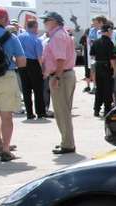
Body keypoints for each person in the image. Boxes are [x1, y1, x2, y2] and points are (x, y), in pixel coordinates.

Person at [40, 11, 76, 154]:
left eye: (46, 20)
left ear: (54, 21)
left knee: (62, 112)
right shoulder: (60, 34)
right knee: (63, 111)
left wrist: (56, 78)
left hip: (61, 76)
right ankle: (67, 141)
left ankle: (67, 144)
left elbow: (60, 59)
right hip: (65, 75)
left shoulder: (57, 36)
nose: (44, 23)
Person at [0, 7, 25, 162]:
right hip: (7, 77)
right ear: (5, 20)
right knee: (6, 116)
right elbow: (22, 62)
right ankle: (6, 150)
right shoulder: (11, 36)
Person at [17, 20, 46, 120]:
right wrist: (43, 69)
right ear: (35, 27)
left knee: (26, 89)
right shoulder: (35, 39)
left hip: (21, 63)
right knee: (38, 89)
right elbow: (39, 57)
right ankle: (40, 112)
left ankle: (29, 113)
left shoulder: (19, 37)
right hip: (33, 63)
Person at [92, 23, 116, 118]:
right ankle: (107, 109)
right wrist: (115, 68)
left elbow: (93, 55)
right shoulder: (109, 42)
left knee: (99, 88)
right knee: (107, 88)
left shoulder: (96, 41)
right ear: (108, 31)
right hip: (106, 65)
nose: (112, 32)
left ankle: (96, 109)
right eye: (111, 31)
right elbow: (111, 57)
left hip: (98, 64)